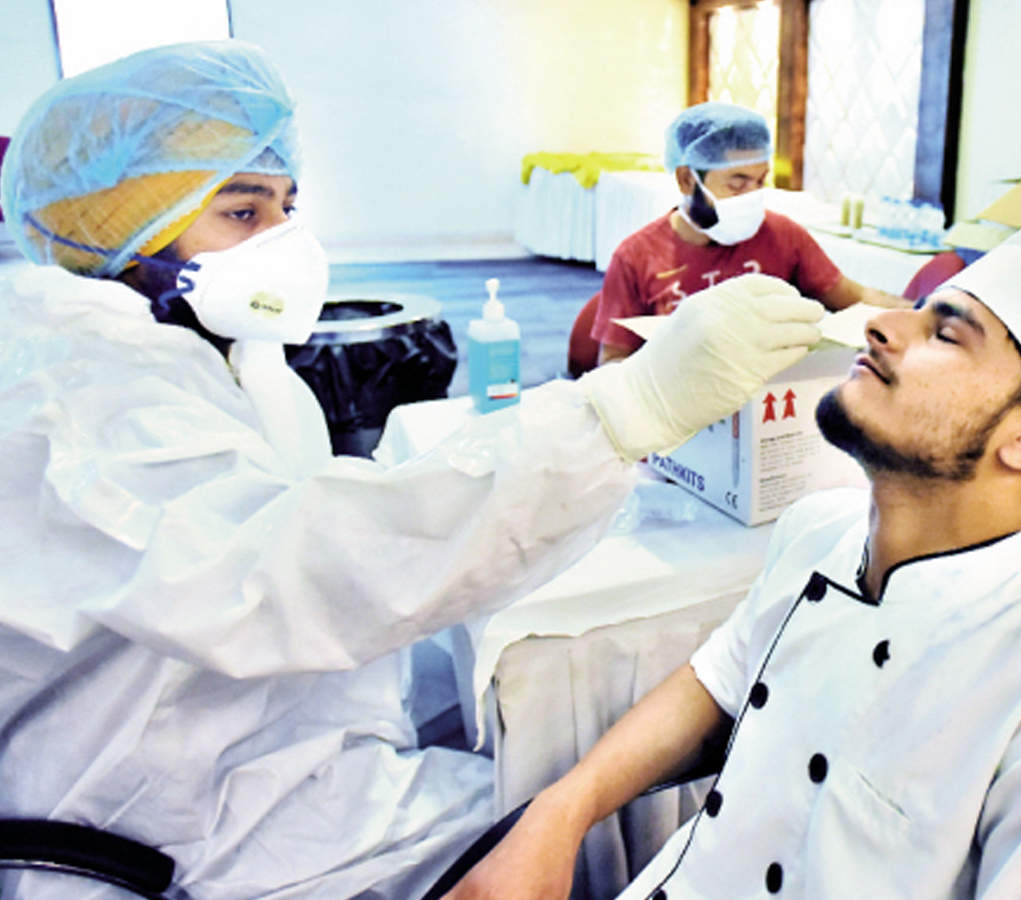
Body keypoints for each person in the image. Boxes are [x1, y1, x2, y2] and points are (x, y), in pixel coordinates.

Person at [0, 41, 831, 899]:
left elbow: (323, 535)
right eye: (242, 215)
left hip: (244, 734)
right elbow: (289, 571)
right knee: (563, 833)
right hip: (182, 816)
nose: (285, 241)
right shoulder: (72, 399)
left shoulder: (182, 353)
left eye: (288, 206)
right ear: (112, 232)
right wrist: (618, 414)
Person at [446, 141, 1021, 898]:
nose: (880, 327)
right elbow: (718, 681)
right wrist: (561, 810)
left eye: (945, 332)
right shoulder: (818, 531)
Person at [590, 101, 904, 365]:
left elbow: (855, 297)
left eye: (760, 181)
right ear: (687, 180)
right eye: (737, 183)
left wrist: (924, 314)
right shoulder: (638, 257)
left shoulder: (783, 236)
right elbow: (614, 364)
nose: (751, 195)